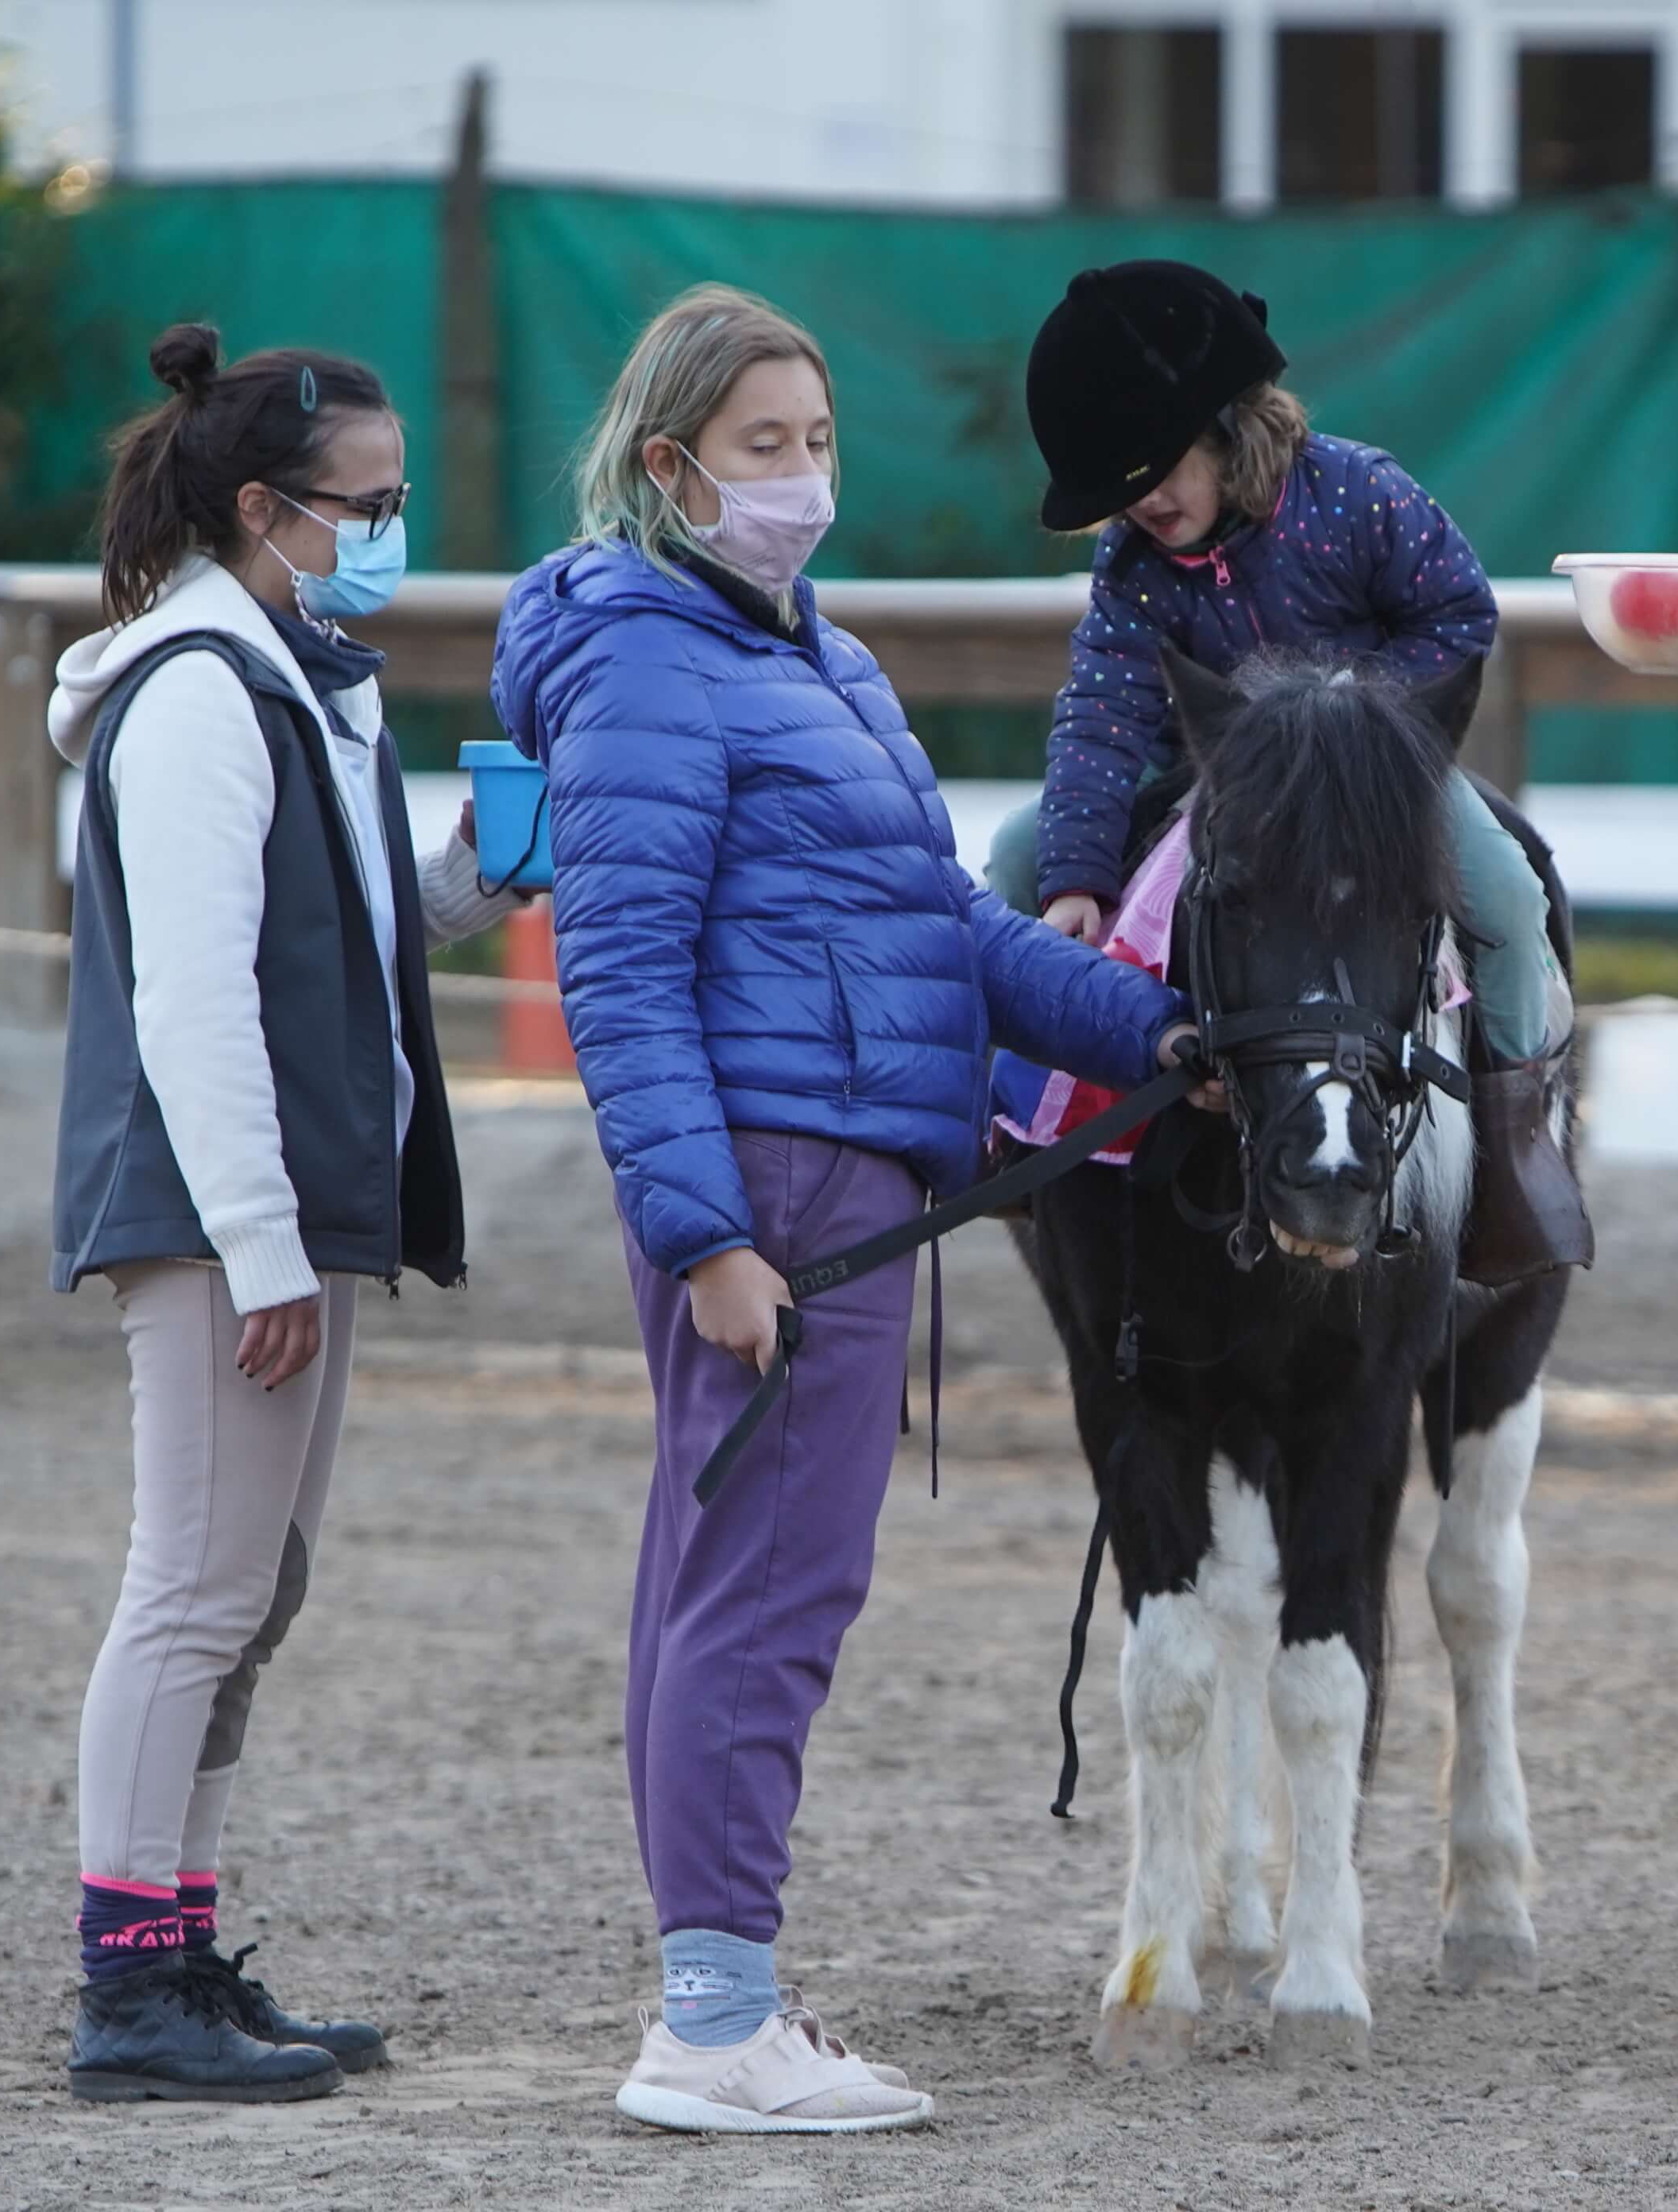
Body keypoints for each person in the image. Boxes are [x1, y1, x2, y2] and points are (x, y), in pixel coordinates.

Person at [492, 284, 1205, 2135]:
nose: (803, 480)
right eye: (762, 451)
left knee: (714, 1587)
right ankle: (715, 2023)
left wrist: (1156, 1024)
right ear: (670, 467)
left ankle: (713, 1997)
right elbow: (624, 975)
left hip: (834, 1163)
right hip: (787, 1190)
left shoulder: (812, 650)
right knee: (767, 1599)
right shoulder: (652, 666)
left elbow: (944, 928)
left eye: (816, 444)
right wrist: (708, 1237)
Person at [52, 324, 527, 2102]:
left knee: (258, 1589)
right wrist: (258, 1242)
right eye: (371, 504)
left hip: (296, 1205)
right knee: (191, 1587)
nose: (393, 529)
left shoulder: (305, 676)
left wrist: (481, 878)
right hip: (214, 1210)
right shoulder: (192, 693)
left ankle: (179, 1948)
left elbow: (333, 929)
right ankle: (127, 1986)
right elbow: (189, 1000)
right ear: (264, 507)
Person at [992, 259, 1591, 1285]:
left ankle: (1511, 1148)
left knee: (1504, 887)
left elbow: (1460, 615)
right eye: (1120, 495)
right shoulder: (1133, 567)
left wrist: (1349, 725)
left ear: (1226, 427)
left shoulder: (1357, 492)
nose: (1141, 509)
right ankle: (1026, 1145)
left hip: (1373, 768)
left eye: (1156, 475)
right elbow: (1101, 713)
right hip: (1210, 783)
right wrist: (1076, 879)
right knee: (1013, 855)